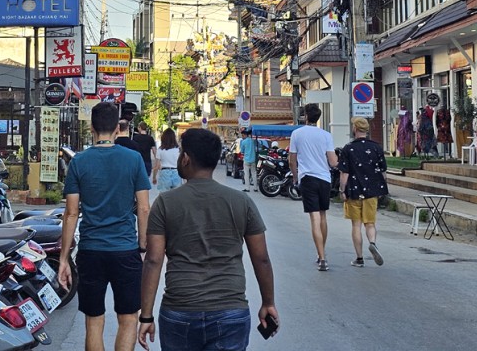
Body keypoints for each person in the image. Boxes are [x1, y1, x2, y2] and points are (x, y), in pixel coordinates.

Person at [138, 128, 279, 351]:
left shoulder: (165, 203)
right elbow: (261, 259)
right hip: (231, 311)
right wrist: (268, 302)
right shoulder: (241, 201)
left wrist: (146, 316)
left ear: (185, 159)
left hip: (179, 311)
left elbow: (153, 261)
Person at [59, 102, 151, 351]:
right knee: (129, 318)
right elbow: (143, 208)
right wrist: (142, 246)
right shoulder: (133, 159)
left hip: (91, 251)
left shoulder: (79, 162)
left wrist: (64, 258)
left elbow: (71, 213)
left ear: (91, 127)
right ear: (117, 128)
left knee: (94, 321)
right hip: (125, 250)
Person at [288, 103, 337, 271]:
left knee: (314, 218)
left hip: (307, 178)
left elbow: (292, 160)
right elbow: (332, 161)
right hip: (324, 179)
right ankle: (321, 254)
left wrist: (295, 177)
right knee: (323, 216)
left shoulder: (297, 134)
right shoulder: (326, 135)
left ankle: (322, 257)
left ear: (306, 116)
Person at [337, 117, 389, 268]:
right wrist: (383, 187)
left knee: (356, 225)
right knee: (370, 223)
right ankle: (372, 243)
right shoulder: (377, 148)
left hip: (354, 191)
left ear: (355, 129)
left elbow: (344, 173)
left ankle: (359, 259)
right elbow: (383, 172)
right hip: (372, 191)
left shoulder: (348, 148)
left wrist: (342, 190)